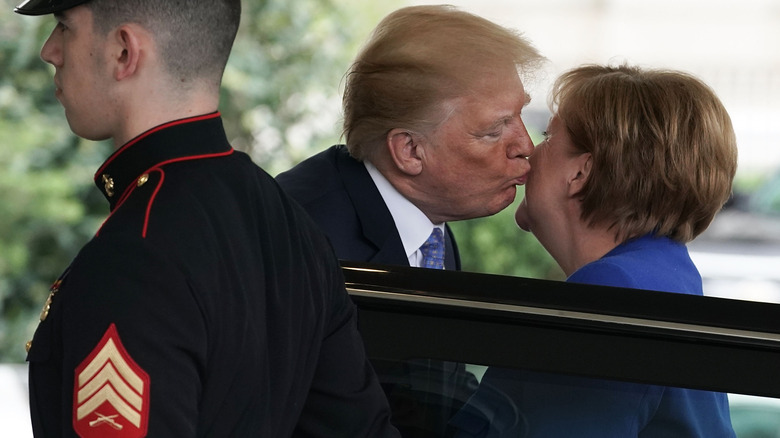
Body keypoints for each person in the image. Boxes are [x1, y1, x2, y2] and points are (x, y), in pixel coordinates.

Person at [15, 0, 399, 436]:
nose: (49, 50)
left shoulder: (135, 255)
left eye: (64, 27)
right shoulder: (288, 220)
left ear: (124, 52)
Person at [275, 5, 544, 437]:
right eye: (495, 130)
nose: (526, 147)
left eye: (520, 116)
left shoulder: (426, 219)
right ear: (410, 151)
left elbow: (435, 394)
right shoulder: (302, 237)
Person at [451, 64, 738, 437]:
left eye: (547, 136)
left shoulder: (612, 291)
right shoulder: (664, 273)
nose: (529, 154)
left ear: (580, 173)